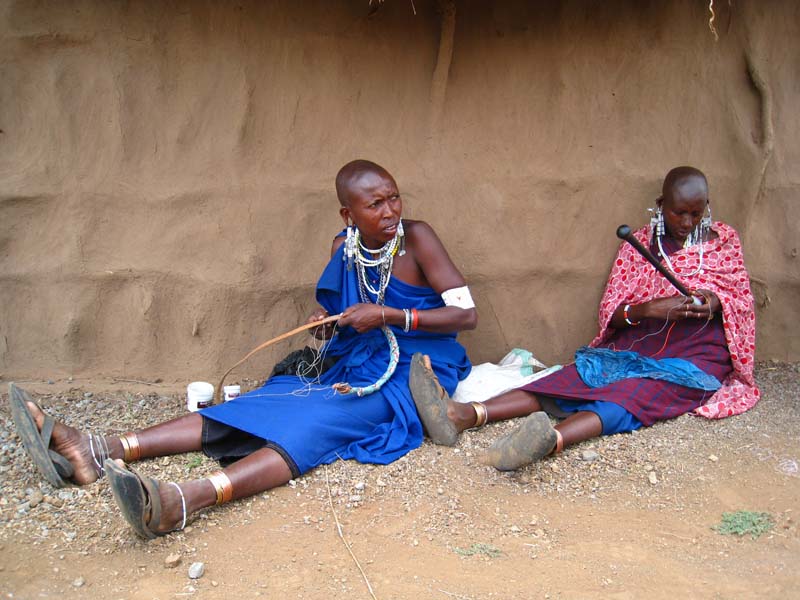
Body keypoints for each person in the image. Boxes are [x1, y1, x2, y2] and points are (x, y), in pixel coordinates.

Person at [10, 159, 477, 537]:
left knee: (319, 421)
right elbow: (345, 320)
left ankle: (185, 499)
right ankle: (102, 449)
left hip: (415, 371)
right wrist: (326, 327)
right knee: (268, 400)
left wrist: (390, 316)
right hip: (357, 363)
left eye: (394, 197)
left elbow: (466, 315)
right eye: (375, 204)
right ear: (348, 214)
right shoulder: (345, 246)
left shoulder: (418, 238)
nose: (390, 211)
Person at [410, 166, 759, 470]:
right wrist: (650, 309)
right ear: (660, 205)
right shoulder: (638, 245)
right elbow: (612, 314)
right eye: (679, 212)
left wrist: (714, 303)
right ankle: (466, 414)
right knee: (576, 376)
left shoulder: (724, 241)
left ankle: (549, 441)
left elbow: (739, 300)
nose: (687, 223)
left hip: (698, 353)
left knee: (634, 393)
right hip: (642, 341)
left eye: (696, 213)